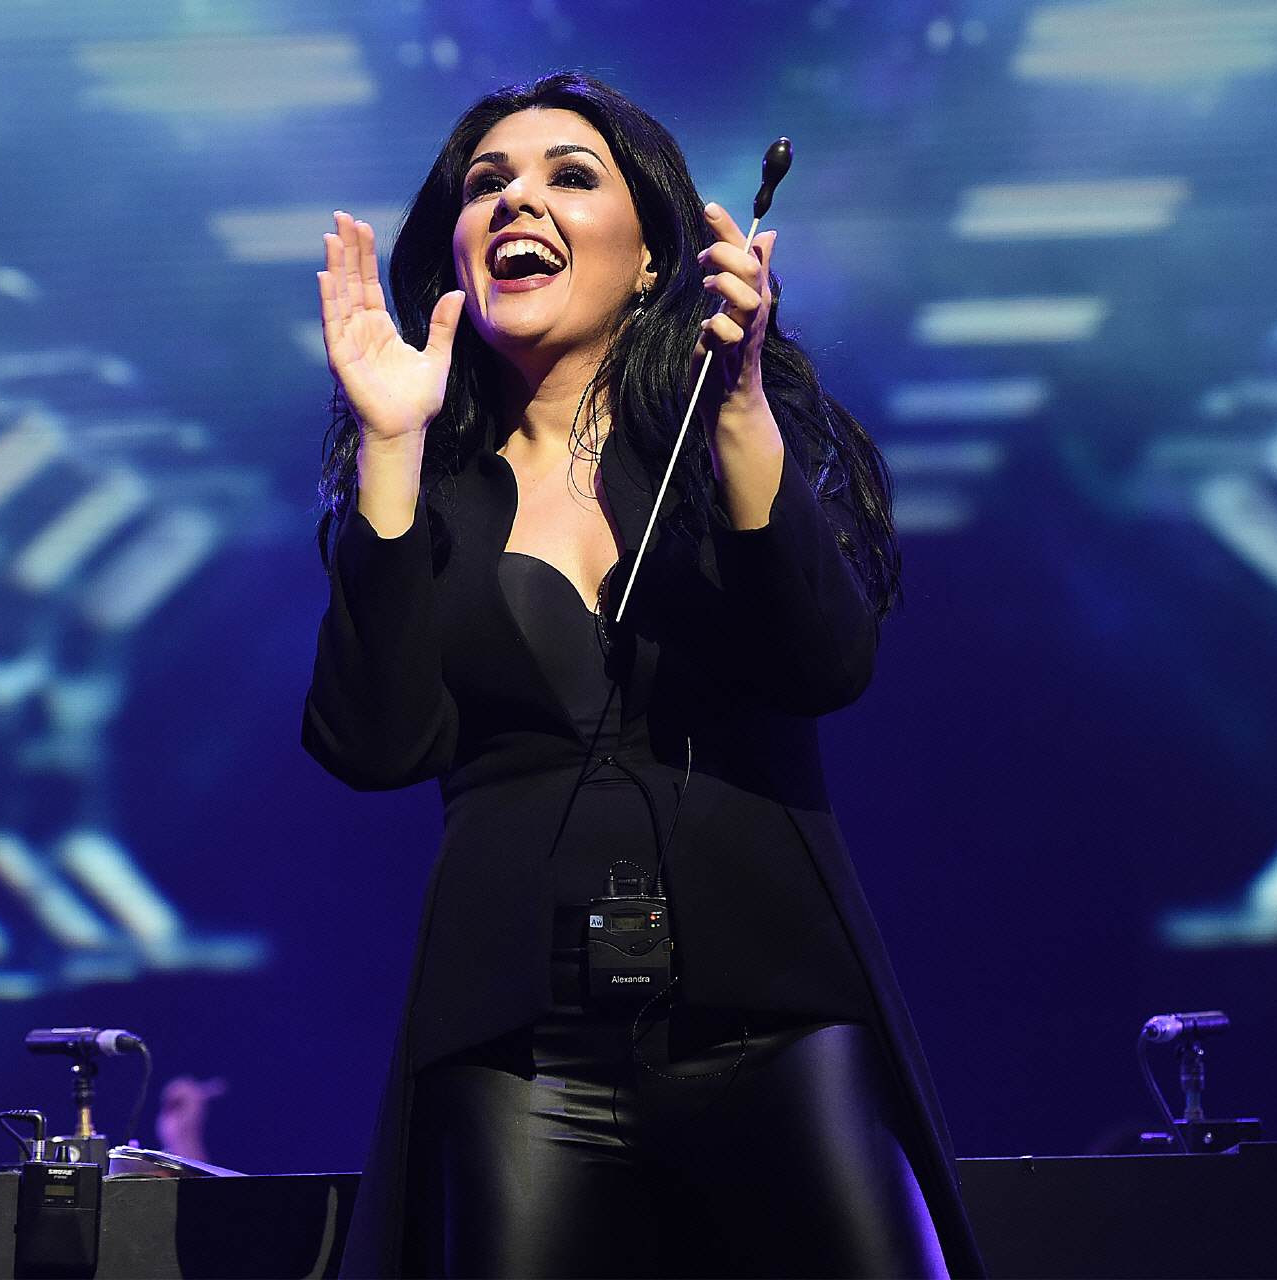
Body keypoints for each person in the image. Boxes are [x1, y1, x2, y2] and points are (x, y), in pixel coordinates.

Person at [304, 72, 983, 1278]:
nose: (518, 200)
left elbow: (827, 663)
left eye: (569, 175)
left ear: (652, 259)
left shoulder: (722, 444)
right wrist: (390, 453)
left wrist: (742, 411)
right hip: (518, 1046)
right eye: (487, 184)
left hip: (775, 1015)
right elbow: (374, 742)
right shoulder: (435, 499)